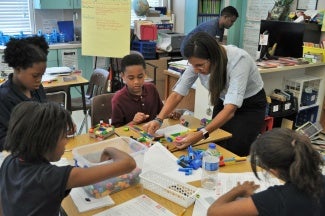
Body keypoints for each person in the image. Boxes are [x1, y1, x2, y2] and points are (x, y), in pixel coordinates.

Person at [0, 101, 136, 215]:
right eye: (65, 136)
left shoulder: (9, 161)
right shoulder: (53, 177)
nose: (66, 141)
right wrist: (108, 148)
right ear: (47, 140)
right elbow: (128, 163)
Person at [144, 32, 266, 156]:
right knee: (217, 142)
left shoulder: (239, 60)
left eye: (200, 66)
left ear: (213, 57)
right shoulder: (197, 60)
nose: (196, 70)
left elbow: (230, 109)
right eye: (193, 65)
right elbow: (177, 94)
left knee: (236, 148)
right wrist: (159, 119)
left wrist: (200, 134)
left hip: (250, 105)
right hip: (224, 100)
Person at [207, 128, 325, 216]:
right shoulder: (320, 179)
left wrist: (237, 190)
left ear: (273, 171)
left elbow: (213, 212)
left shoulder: (276, 199)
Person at [0, 36, 49, 151]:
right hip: (17, 156)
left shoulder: (37, 89)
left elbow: (45, 115)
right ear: (18, 69)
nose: (39, 80)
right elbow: (3, 140)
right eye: (35, 75)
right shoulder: (4, 97)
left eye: (42, 75)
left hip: (39, 149)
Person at [111, 53, 163, 127]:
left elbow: (161, 112)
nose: (136, 82)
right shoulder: (118, 99)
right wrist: (133, 122)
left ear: (145, 73)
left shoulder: (152, 89)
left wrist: (170, 114)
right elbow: (116, 131)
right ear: (123, 76)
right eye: (131, 78)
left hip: (152, 133)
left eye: (140, 76)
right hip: (131, 137)